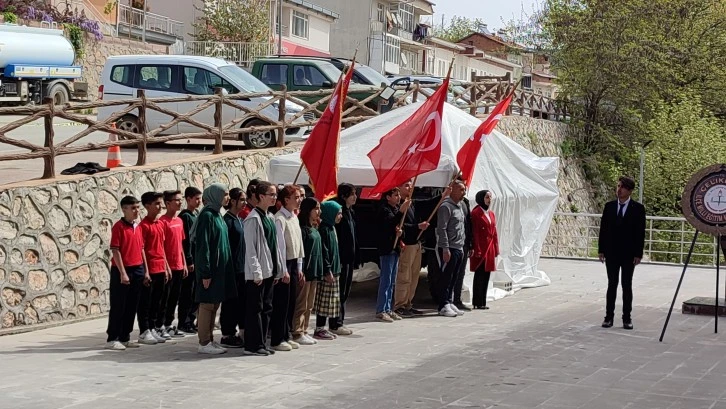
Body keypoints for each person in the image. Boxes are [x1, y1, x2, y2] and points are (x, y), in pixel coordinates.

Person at [190, 183, 236, 354]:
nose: (227, 198)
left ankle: (209, 339)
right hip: (210, 270)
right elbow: (204, 246)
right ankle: (203, 342)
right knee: (207, 305)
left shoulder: (217, 214)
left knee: (215, 303)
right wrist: (206, 271)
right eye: (224, 194)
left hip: (220, 269)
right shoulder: (207, 216)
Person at [393, 180, 450, 318]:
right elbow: (399, 225)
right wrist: (417, 226)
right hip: (406, 245)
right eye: (406, 185)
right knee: (404, 277)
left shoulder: (412, 202)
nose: (410, 187)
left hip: (416, 244)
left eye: (411, 184)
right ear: (398, 188)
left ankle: (408, 303)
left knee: (414, 277)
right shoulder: (398, 206)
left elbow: (429, 203)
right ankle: (399, 305)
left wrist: (443, 194)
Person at [243, 181, 286, 356]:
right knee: (255, 309)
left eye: (275, 195)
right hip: (257, 273)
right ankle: (252, 345)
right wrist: (256, 271)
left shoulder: (269, 217)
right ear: (261, 196)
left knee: (267, 307)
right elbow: (251, 248)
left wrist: (278, 270)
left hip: (270, 270)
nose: (275, 198)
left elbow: (274, 246)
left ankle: (262, 342)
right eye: (271, 194)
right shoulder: (253, 219)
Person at [598, 176, 646, 330]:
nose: (619, 190)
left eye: (623, 187)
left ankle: (627, 318)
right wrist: (601, 250)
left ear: (630, 190)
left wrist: (638, 253)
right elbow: (603, 230)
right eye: (618, 186)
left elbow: (640, 232)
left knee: (627, 285)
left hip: (628, 254)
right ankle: (608, 317)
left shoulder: (638, 209)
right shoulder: (609, 206)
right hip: (611, 252)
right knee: (612, 284)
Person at [105, 196, 147, 350]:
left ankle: (125, 336)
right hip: (122, 270)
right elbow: (115, 250)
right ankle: (113, 338)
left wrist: (145, 271)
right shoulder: (118, 227)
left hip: (137, 269)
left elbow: (141, 249)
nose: (137, 211)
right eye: (133, 208)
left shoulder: (138, 227)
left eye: (137, 207)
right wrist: (123, 272)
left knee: (132, 305)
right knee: (119, 305)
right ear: (124, 209)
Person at [271, 185, 305, 351]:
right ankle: (278, 338)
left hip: (293, 263)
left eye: (299, 197)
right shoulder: (280, 219)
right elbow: (280, 246)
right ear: (286, 200)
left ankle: (287, 334)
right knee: (281, 303)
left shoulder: (294, 217)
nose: (299, 200)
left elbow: (298, 243)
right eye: (296, 197)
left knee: (291, 301)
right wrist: (283, 269)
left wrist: (299, 266)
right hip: (284, 264)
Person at [137, 191, 172, 344]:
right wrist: (145, 271)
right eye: (157, 203)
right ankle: (144, 330)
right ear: (147, 206)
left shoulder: (160, 224)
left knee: (157, 302)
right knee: (146, 302)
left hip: (160, 268)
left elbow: (162, 247)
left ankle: (152, 328)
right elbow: (141, 249)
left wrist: (166, 266)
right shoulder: (143, 226)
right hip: (150, 269)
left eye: (160, 203)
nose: (160, 206)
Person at [375, 188, 411, 322]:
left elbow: (401, 225)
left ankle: (389, 307)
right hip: (386, 249)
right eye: (395, 195)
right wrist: (401, 211)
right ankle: (381, 309)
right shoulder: (384, 210)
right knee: (386, 280)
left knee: (392, 281)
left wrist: (401, 233)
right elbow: (390, 223)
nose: (398, 197)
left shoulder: (395, 210)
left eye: (398, 195)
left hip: (395, 249)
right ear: (388, 197)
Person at [292, 197, 322, 346]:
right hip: (305, 271)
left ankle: (305, 329)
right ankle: (297, 331)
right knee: (301, 303)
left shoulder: (314, 228)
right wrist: (300, 269)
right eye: (315, 208)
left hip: (314, 271)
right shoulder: (302, 229)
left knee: (309, 304)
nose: (318, 211)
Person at [435, 180, 467, 318]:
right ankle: (443, 305)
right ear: (452, 190)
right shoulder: (446, 207)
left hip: (459, 247)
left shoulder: (460, 206)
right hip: (449, 247)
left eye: (464, 189)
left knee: (454, 276)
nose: (463, 192)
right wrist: (445, 248)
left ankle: (449, 300)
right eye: (460, 189)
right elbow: (441, 229)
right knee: (446, 277)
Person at [219, 188, 247, 348]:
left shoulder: (239, 220)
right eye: (241, 200)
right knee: (230, 303)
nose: (244, 203)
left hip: (242, 268)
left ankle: (238, 330)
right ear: (233, 201)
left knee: (240, 302)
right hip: (232, 269)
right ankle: (227, 333)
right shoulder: (227, 221)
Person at [158, 190, 188, 338]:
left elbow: (181, 243)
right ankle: (160, 325)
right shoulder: (162, 222)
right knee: (165, 298)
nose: (179, 202)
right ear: (167, 203)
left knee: (175, 298)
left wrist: (183, 262)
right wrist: (166, 265)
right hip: (167, 268)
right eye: (176, 200)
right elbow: (161, 246)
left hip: (179, 266)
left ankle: (169, 324)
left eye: (180, 199)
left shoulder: (179, 221)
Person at [312, 201, 344, 340]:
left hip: (335, 270)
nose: (340, 216)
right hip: (328, 272)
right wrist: (327, 270)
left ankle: (323, 328)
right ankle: (319, 328)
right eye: (338, 213)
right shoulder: (324, 229)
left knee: (330, 302)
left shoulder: (332, 228)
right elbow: (324, 252)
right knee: (324, 302)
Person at [330, 183, 357, 335]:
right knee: (339, 292)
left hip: (349, 257)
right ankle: (335, 323)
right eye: (352, 194)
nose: (355, 197)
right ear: (344, 196)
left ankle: (340, 320)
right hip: (341, 258)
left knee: (345, 291)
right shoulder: (339, 213)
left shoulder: (350, 212)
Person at [177, 186, 202, 334]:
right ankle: (184, 321)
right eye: (196, 199)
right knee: (187, 292)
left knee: (194, 294)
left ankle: (191, 320)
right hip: (190, 260)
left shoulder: (196, 214)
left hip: (197, 259)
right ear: (188, 199)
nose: (199, 201)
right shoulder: (185, 217)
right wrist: (189, 259)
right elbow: (186, 241)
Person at [469, 190, 499, 310]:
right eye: (487, 197)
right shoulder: (476, 213)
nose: (489, 199)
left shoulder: (491, 214)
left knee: (486, 274)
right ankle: (477, 301)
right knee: (479, 274)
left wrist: (496, 248)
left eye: (490, 197)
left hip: (490, 247)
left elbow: (494, 232)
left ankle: (483, 300)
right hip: (481, 247)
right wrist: (477, 248)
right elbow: (475, 232)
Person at [453, 193, 474, 311]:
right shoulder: (448, 204)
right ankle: (449, 301)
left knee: (460, 273)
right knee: (451, 274)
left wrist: (470, 243)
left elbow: (468, 223)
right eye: (460, 189)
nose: (463, 191)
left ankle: (457, 299)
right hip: (453, 244)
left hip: (464, 243)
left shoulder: (465, 202)